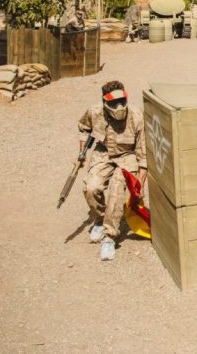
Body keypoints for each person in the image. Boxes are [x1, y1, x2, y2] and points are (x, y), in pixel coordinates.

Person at [77, 80, 147, 261]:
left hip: (128, 156)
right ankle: (100, 219)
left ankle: (109, 236)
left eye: (122, 101)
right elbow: (84, 129)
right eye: (114, 103)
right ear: (104, 103)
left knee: (117, 189)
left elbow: (143, 156)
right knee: (91, 187)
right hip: (104, 153)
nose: (119, 106)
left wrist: (139, 185)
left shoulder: (136, 116)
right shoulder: (94, 112)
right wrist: (82, 153)